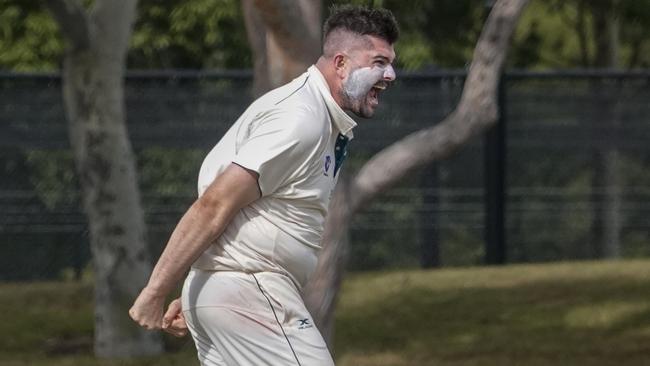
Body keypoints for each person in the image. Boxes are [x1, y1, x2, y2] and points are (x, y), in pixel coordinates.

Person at [129, 5, 399, 365]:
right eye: (378, 62)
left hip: (230, 292)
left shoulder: (313, 114)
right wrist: (155, 290)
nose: (391, 74)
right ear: (340, 64)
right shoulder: (300, 119)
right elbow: (214, 204)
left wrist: (208, 291)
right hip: (250, 289)